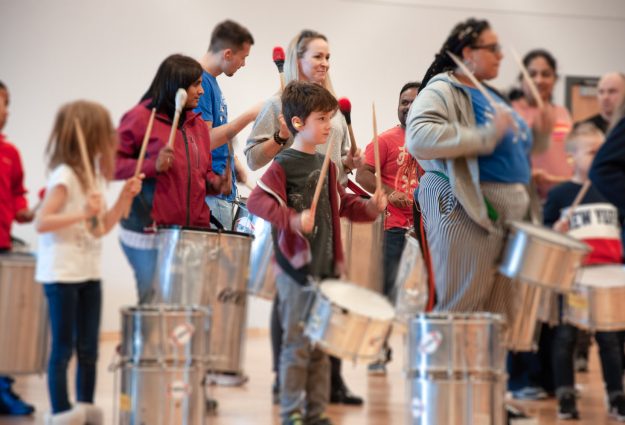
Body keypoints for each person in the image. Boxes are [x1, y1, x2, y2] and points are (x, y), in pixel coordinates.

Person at [247, 81, 387, 425]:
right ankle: (292, 411)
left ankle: (316, 411)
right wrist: (293, 220)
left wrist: (369, 207)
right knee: (297, 346)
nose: (329, 126)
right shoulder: (284, 164)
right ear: (298, 124)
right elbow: (257, 201)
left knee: (322, 347)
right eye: (322, 119)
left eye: (330, 119)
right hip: (296, 271)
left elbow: (341, 204)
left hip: (326, 268)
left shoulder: (329, 165)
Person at [245, 29, 364, 405]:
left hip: (326, 249)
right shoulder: (282, 134)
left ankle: (319, 400)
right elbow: (255, 186)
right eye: (317, 56)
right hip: (294, 250)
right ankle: (292, 399)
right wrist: (292, 220)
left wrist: (366, 197)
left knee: (319, 337)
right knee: (296, 333)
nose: (324, 64)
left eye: (328, 57)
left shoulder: (328, 141)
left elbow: (339, 190)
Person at [405, 17, 551, 319]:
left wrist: (542, 133)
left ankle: (487, 368)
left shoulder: (491, 94)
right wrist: (485, 136)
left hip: (510, 212)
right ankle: (453, 367)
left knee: (499, 313)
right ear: (468, 53)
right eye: (493, 48)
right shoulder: (444, 89)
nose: (501, 55)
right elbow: (418, 137)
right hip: (470, 209)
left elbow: (521, 148)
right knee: (462, 307)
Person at [35, 100, 143, 424]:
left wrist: (124, 198)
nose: (111, 137)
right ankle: (61, 412)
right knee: (63, 348)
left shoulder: (94, 177)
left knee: (89, 349)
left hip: (88, 272)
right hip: (62, 274)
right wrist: (83, 212)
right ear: (90, 134)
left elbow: (98, 230)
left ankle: (84, 408)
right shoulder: (65, 175)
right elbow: (42, 221)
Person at [116, 54, 226, 303]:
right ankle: (139, 343)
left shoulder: (197, 125)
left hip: (190, 233)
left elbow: (199, 174)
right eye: (195, 84)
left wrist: (216, 184)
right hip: (150, 232)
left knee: (184, 311)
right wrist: (150, 165)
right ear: (176, 87)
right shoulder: (140, 118)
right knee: (154, 307)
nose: (200, 91)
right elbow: (110, 165)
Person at [544, 123, 625, 420]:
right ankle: (565, 393)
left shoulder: (614, 191)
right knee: (566, 337)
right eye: (593, 152)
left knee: (611, 339)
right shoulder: (561, 195)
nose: (601, 157)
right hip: (575, 279)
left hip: (609, 276)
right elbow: (547, 233)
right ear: (571, 157)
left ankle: (616, 395)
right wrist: (556, 229)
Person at [356, 81, 420, 374]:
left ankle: (421, 355)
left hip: (425, 230)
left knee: (421, 295)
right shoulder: (384, 140)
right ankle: (377, 351)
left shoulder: (432, 143)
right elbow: (362, 174)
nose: (407, 106)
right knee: (385, 292)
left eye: (413, 102)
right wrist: (385, 191)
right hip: (393, 228)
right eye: (403, 102)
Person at [196, 19, 260, 230]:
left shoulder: (211, 82)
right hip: (210, 195)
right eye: (243, 58)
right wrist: (250, 115)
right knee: (213, 263)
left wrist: (235, 163)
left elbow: (218, 134)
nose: (244, 64)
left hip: (221, 193)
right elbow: (204, 140)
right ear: (228, 54)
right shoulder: (200, 82)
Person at [0, 80, 36, 416]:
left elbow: (17, 194)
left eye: (7, 104)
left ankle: (3, 389)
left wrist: (25, 209)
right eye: (2, 103)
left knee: (3, 325)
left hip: (3, 247)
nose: (6, 111)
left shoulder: (9, 153)